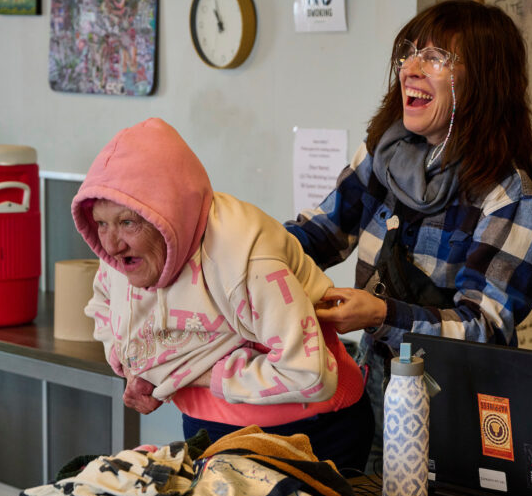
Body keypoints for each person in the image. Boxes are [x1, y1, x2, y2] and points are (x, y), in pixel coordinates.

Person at [286, 0, 532, 471]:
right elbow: (318, 235)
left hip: (457, 412)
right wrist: (241, 245)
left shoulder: (508, 195)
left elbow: (483, 329)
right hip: (369, 395)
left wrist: (383, 314)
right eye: (410, 53)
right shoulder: (383, 156)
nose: (411, 67)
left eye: (436, 57)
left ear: (484, 80)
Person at [72, 118, 372, 472]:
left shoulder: (245, 258)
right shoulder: (123, 255)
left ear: (168, 215)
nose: (110, 244)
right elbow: (103, 305)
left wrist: (176, 375)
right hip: (210, 425)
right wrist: (137, 365)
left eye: (126, 223)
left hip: (308, 431)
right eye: (101, 223)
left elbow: (310, 376)